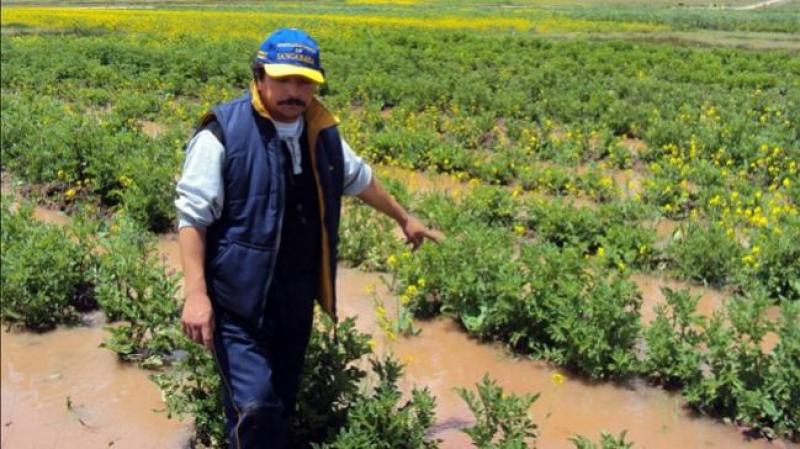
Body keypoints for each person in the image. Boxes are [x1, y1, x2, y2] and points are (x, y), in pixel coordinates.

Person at [175, 28, 441, 449]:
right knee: (256, 407)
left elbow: (362, 179)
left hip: (295, 300)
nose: (294, 92)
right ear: (260, 77)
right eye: (283, 80)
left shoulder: (322, 133)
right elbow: (192, 216)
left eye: (305, 82)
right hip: (238, 304)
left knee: (281, 401)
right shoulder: (223, 133)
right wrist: (196, 293)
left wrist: (405, 218)